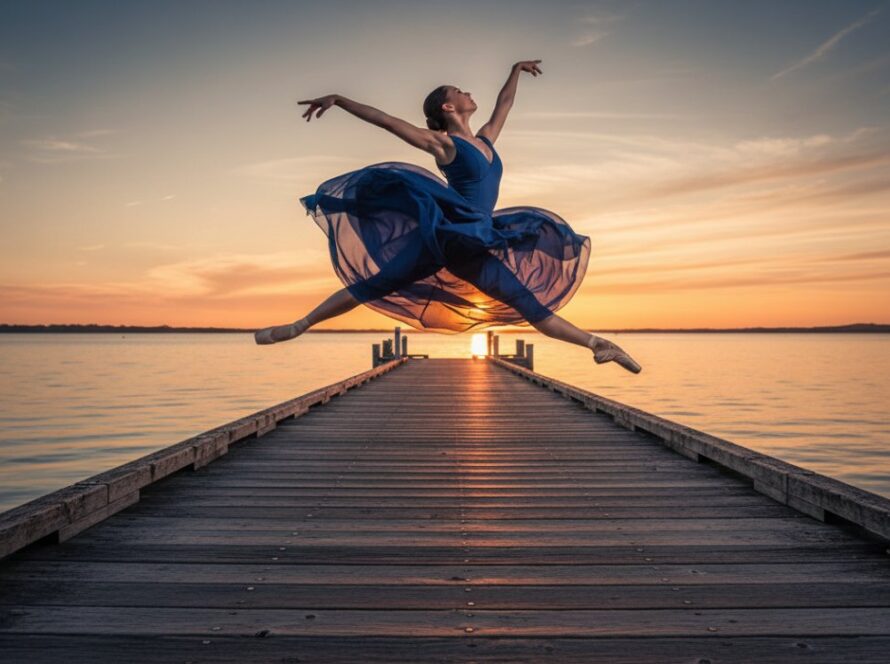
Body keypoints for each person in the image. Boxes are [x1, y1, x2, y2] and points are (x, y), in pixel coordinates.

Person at [255, 60, 641, 374]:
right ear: (448, 107)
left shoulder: (486, 139)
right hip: (451, 235)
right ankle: (298, 326)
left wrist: (515, 70)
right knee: (374, 285)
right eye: (460, 90)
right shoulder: (443, 145)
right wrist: (339, 99)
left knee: (523, 303)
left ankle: (598, 344)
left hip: (475, 240)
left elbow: (504, 105)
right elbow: (387, 120)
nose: (469, 92)